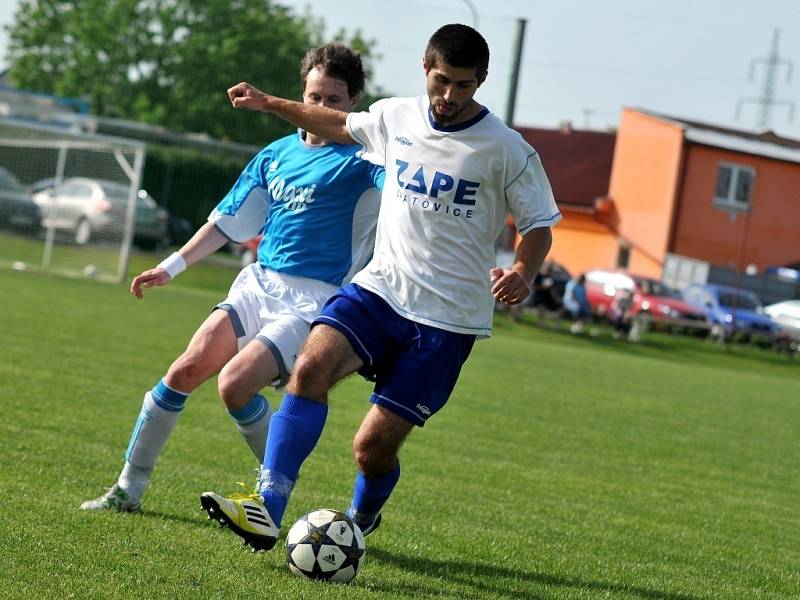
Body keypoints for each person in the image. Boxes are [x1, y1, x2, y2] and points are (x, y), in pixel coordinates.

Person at [200, 24, 561, 551]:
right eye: (442, 81)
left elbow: (539, 226)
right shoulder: (398, 116)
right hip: (380, 289)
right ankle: (267, 508)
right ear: (425, 67)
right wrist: (269, 103)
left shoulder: (508, 149)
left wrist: (523, 273)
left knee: (370, 449)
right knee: (310, 367)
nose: (450, 96)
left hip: (446, 319)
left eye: (465, 85)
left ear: (481, 81)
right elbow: (337, 122)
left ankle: (362, 517)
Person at [80, 43, 384, 512]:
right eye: (312, 96)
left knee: (235, 384)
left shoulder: (366, 159)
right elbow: (228, 221)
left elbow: (410, 204)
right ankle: (128, 489)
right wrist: (172, 265)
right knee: (184, 370)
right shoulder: (275, 154)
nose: (317, 109)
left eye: (333, 101)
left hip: (314, 302)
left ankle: (276, 491)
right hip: (258, 284)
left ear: (354, 103)